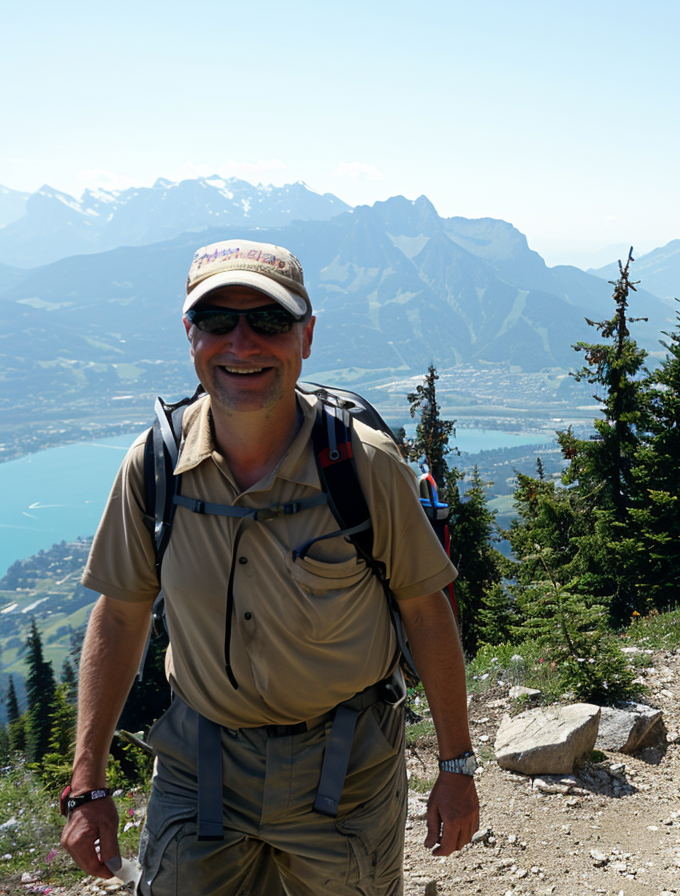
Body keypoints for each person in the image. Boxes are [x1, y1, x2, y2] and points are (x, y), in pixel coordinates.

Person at [61, 239, 479, 895]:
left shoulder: (363, 466)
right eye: (218, 321)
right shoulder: (154, 467)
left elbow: (426, 611)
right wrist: (87, 781)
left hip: (347, 770)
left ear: (306, 335)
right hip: (199, 768)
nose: (242, 343)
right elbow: (120, 613)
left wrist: (456, 766)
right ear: (190, 334)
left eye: (270, 321)